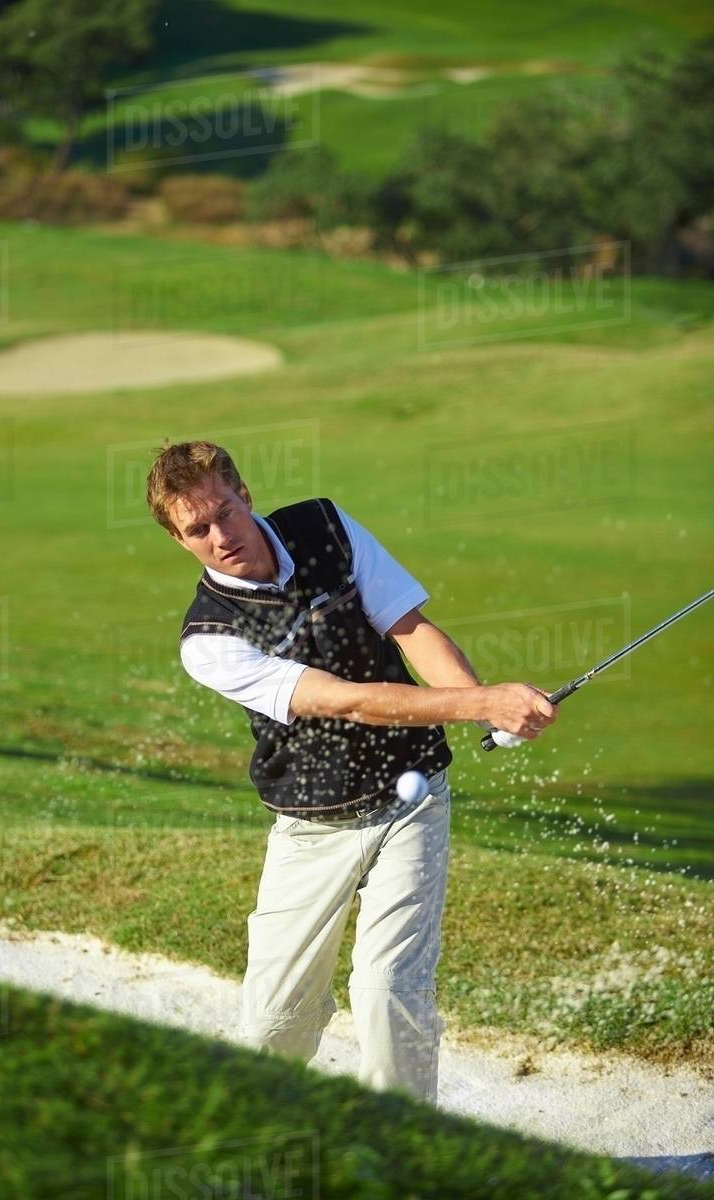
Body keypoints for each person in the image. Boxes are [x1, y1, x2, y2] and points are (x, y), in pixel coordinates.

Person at [145, 440, 557, 1104]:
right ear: (178, 540)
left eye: (225, 511)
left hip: (411, 801)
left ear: (244, 495)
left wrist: (486, 709)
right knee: (275, 1021)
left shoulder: (324, 527)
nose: (220, 535)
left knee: (388, 990)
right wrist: (480, 702)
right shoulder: (209, 639)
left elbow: (407, 627)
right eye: (198, 529)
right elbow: (345, 700)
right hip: (312, 825)